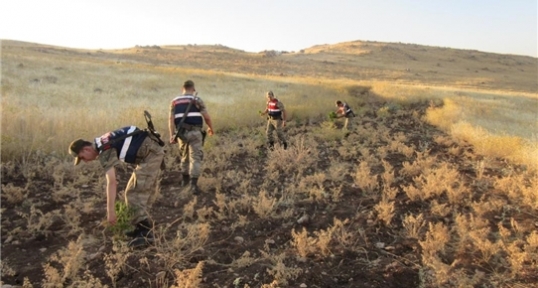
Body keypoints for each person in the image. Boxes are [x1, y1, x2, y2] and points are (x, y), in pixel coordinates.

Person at [68, 126, 165, 248]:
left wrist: (111, 211)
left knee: (135, 193)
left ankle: (145, 234)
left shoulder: (104, 149)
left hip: (151, 155)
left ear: (86, 149)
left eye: (82, 157)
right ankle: (139, 228)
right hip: (150, 152)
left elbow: (112, 182)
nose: (86, 161)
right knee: (131, 191)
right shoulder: (101, 142)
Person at [169, 80, 214, 195]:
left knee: (184, 156)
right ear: (193, 89)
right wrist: (210, 128)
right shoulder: (197, 100)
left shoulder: (174, 101)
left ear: (182, 88)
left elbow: (171, 120)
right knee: (195, 157)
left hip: (181, 133)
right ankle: (193, 185)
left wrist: (172, 135)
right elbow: (207, 117)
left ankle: (185, 181)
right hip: (195, 132)